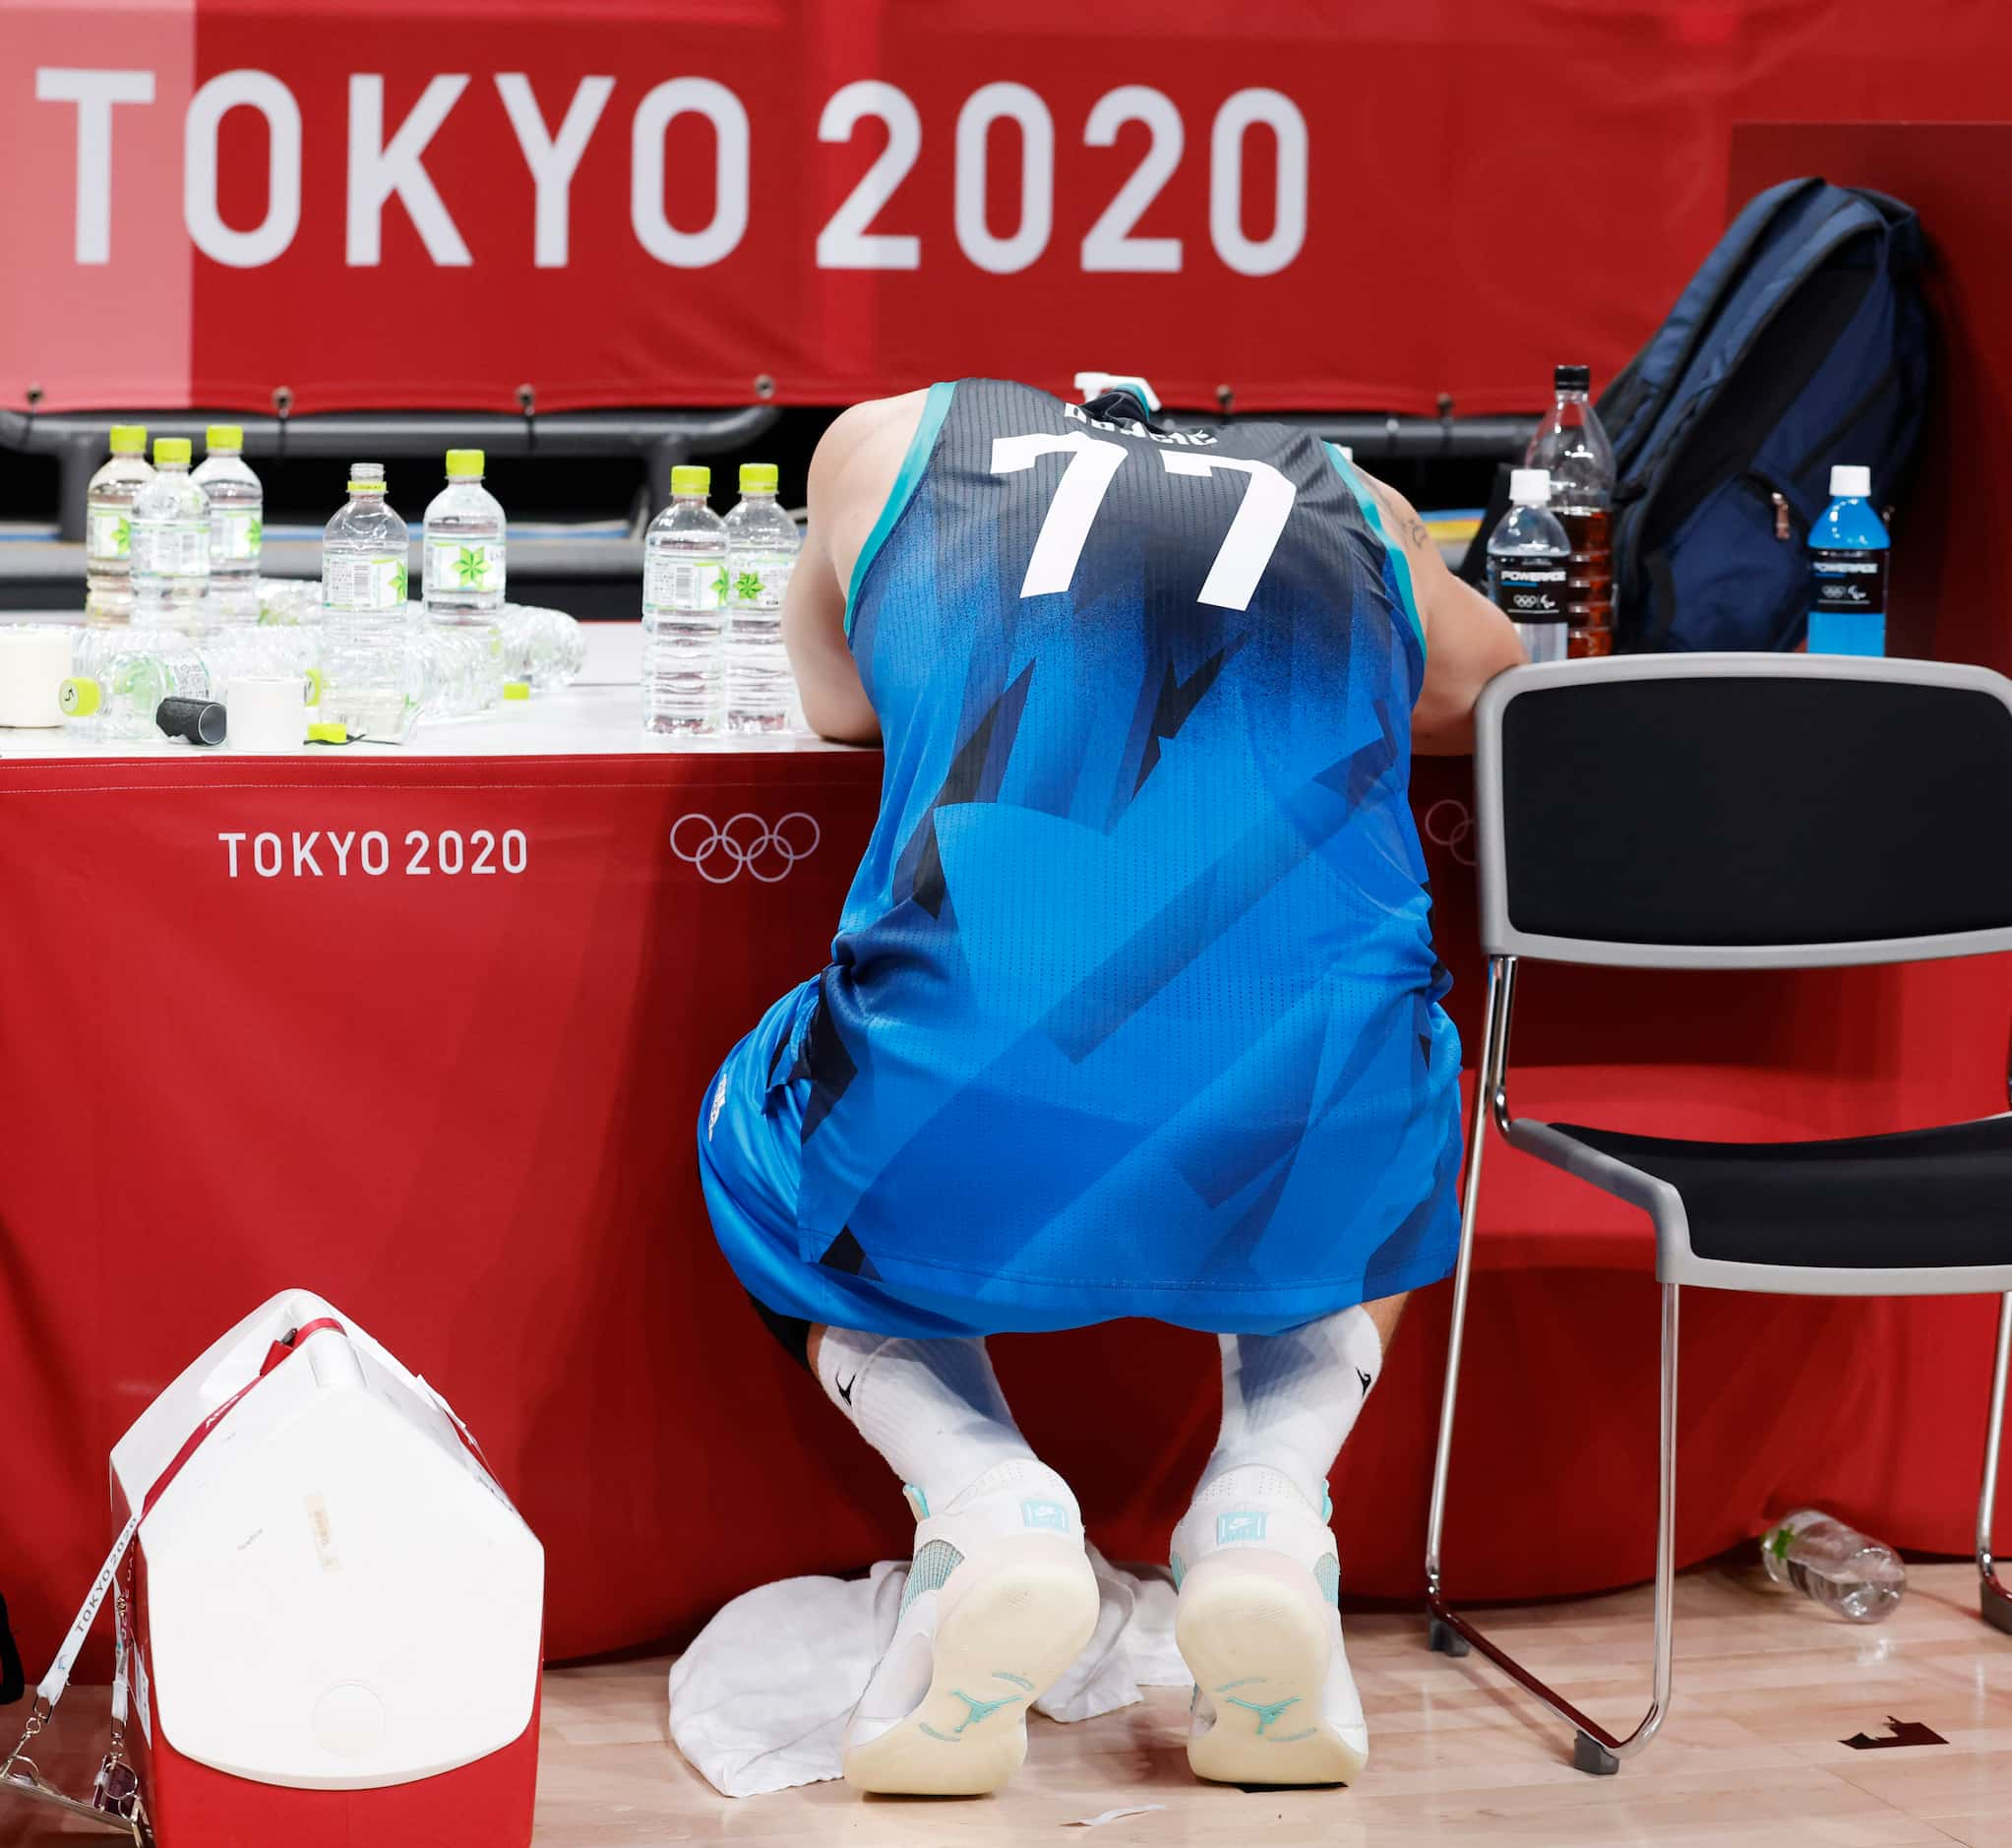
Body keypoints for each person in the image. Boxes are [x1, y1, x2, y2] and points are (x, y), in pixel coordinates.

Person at [697, 377, 1525, 1796]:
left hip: (954, 1119)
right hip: (1304, 1131)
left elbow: (837, 704)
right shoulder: (1355, 495)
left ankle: (980, 1494)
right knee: (1387, 1061)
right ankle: (1268, 1504)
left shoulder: (886, 438)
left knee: (752, 1111)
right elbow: (1488, 684)